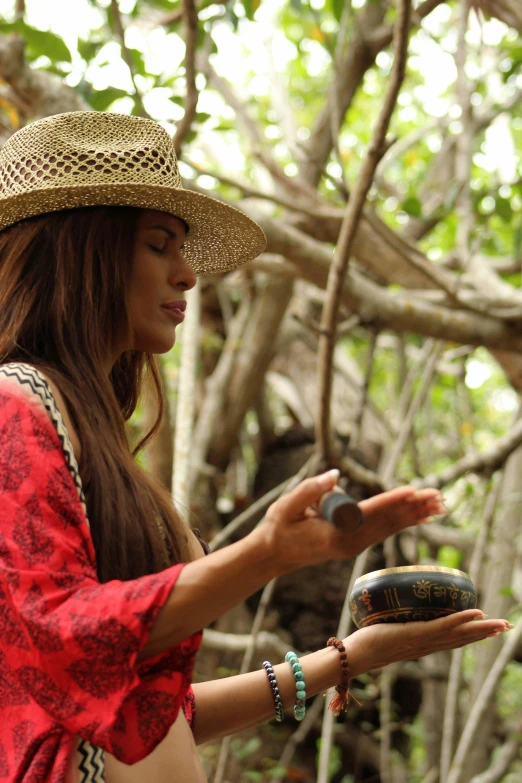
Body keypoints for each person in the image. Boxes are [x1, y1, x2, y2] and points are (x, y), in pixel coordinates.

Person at [0, 111, 511, 783]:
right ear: (81, 250)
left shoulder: (91, 434)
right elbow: (64, 642)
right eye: (160, 245)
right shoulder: (14, 403)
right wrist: (265, 553)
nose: (187, 273)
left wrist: (348, 658)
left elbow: (155, 716)